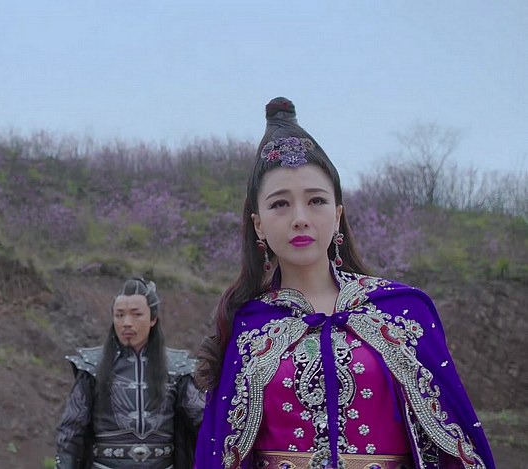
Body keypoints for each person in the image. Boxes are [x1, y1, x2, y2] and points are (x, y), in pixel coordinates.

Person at [193, 98, 495, 469]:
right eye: (280, 204)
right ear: (259, 224)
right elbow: (219, 453)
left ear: (337, 215)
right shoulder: (247, 324)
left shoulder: (403, 311)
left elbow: (454, 439)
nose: (300, 218)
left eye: (316, 201)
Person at [55, 277, 205, 469]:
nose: (126, 322)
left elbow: (203, 421)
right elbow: (71, 429)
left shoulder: (176, 367)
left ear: (153, 319)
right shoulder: (92, 366)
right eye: (119, 315)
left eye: (136, 314)